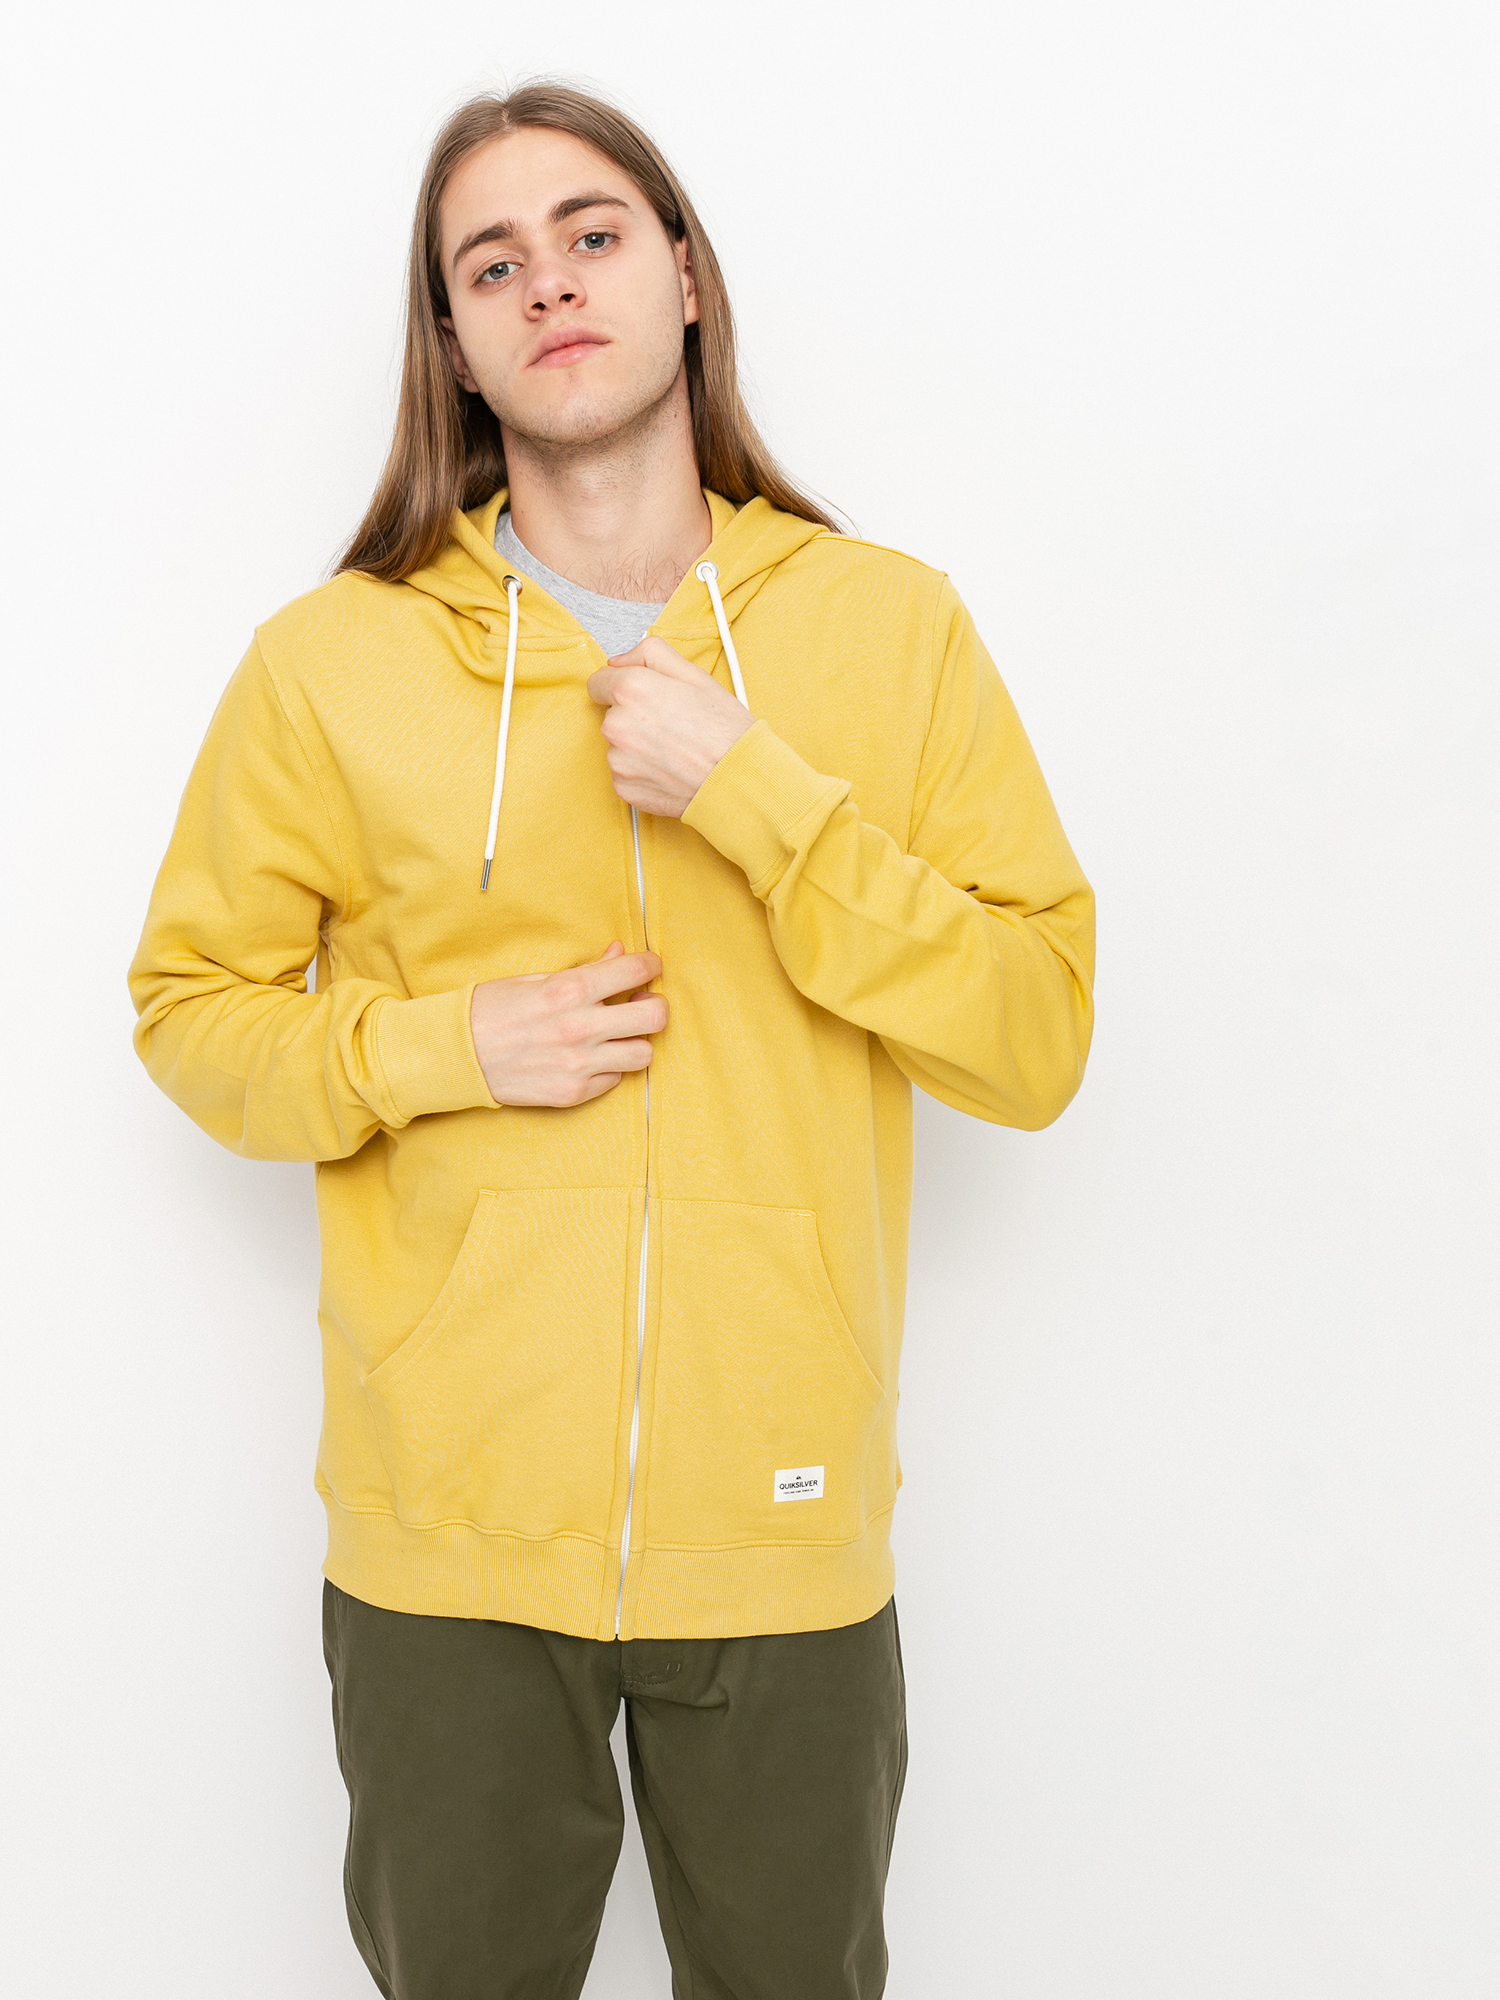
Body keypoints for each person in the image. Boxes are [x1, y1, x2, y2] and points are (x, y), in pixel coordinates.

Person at [129, 82, 1095, 2000]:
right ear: (454, 344)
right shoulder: (335, 663)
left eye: (590, 235)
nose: (550, 284)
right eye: (491, 265)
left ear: (685, 278)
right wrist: (445, 1046)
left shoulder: (892, 633)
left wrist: (762, 798)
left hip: (784, 1522)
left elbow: (1035, 1034)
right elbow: (192, 1013)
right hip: (448, 1542)